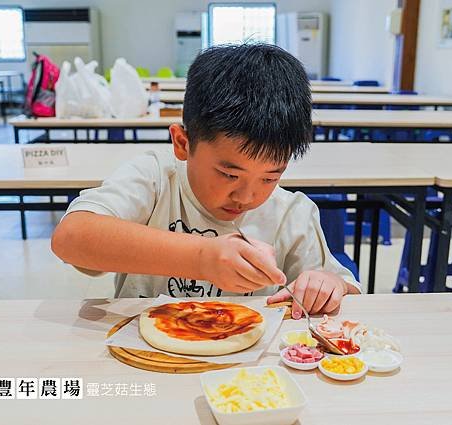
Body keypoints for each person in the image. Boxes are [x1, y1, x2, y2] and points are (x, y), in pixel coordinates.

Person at [51, 44, 360, 319]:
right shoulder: (157, 179)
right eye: (229, 174)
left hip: (244, 370)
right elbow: (71, 237)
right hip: (145, 355)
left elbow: (336, 285)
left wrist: (327, 286)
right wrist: (200, 257)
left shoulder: (291, 213)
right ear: (183, 143)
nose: (247, 195)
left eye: (270, 176)